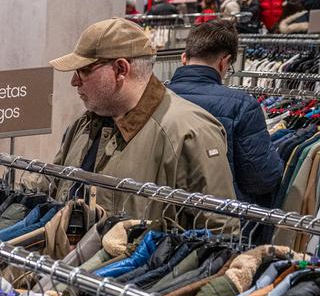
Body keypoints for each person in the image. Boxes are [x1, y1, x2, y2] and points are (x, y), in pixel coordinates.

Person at [47, 17, 236, 225]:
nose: (74, 81)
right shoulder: (86, 123)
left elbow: (219, 233)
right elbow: (53, 186)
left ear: (120, 69)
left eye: (83, 71)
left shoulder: (191, 132)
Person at [166, 20, 283, 206]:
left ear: (183, 58)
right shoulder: (242, 106)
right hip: (218, 219)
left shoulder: (157, 97)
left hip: (160, 211)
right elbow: (262, 179)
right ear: (224, 62)